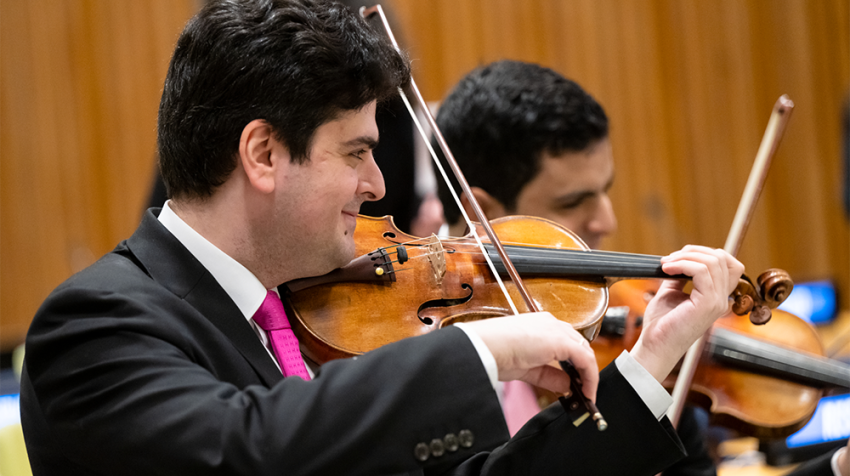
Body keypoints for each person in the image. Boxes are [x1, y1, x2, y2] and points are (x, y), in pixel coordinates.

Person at [20, 2, 744, 475]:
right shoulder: (96, 324)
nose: (378, 186)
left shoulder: (298, 324)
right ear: (264, 155)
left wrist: (650, 363)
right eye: (355, 152)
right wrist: (483, 349)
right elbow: (249, 449)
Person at [434, 59, 849, 476]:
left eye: (605, 191)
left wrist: (839, 467)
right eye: (573, 203)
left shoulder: (630, 336)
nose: (606, 222)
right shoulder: (422, 373)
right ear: (482, 213)